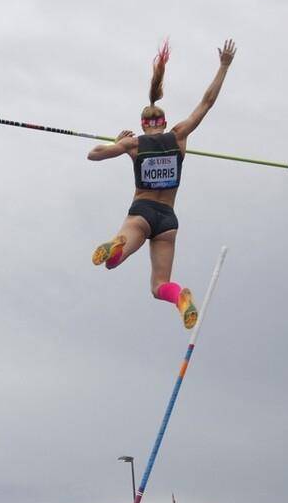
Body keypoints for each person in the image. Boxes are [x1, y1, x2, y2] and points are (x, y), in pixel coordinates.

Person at [87, 38, 238, 329]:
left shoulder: (134, 144)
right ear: (165, 122)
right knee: (161, 286)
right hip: (167, 220)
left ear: (143, 125)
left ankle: (118, 243)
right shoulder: (179, 136)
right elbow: (206, 103)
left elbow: (93, 156)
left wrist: (117, 142)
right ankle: (179, 296)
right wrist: (224, 66)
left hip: (141, 214)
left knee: (111, 262)